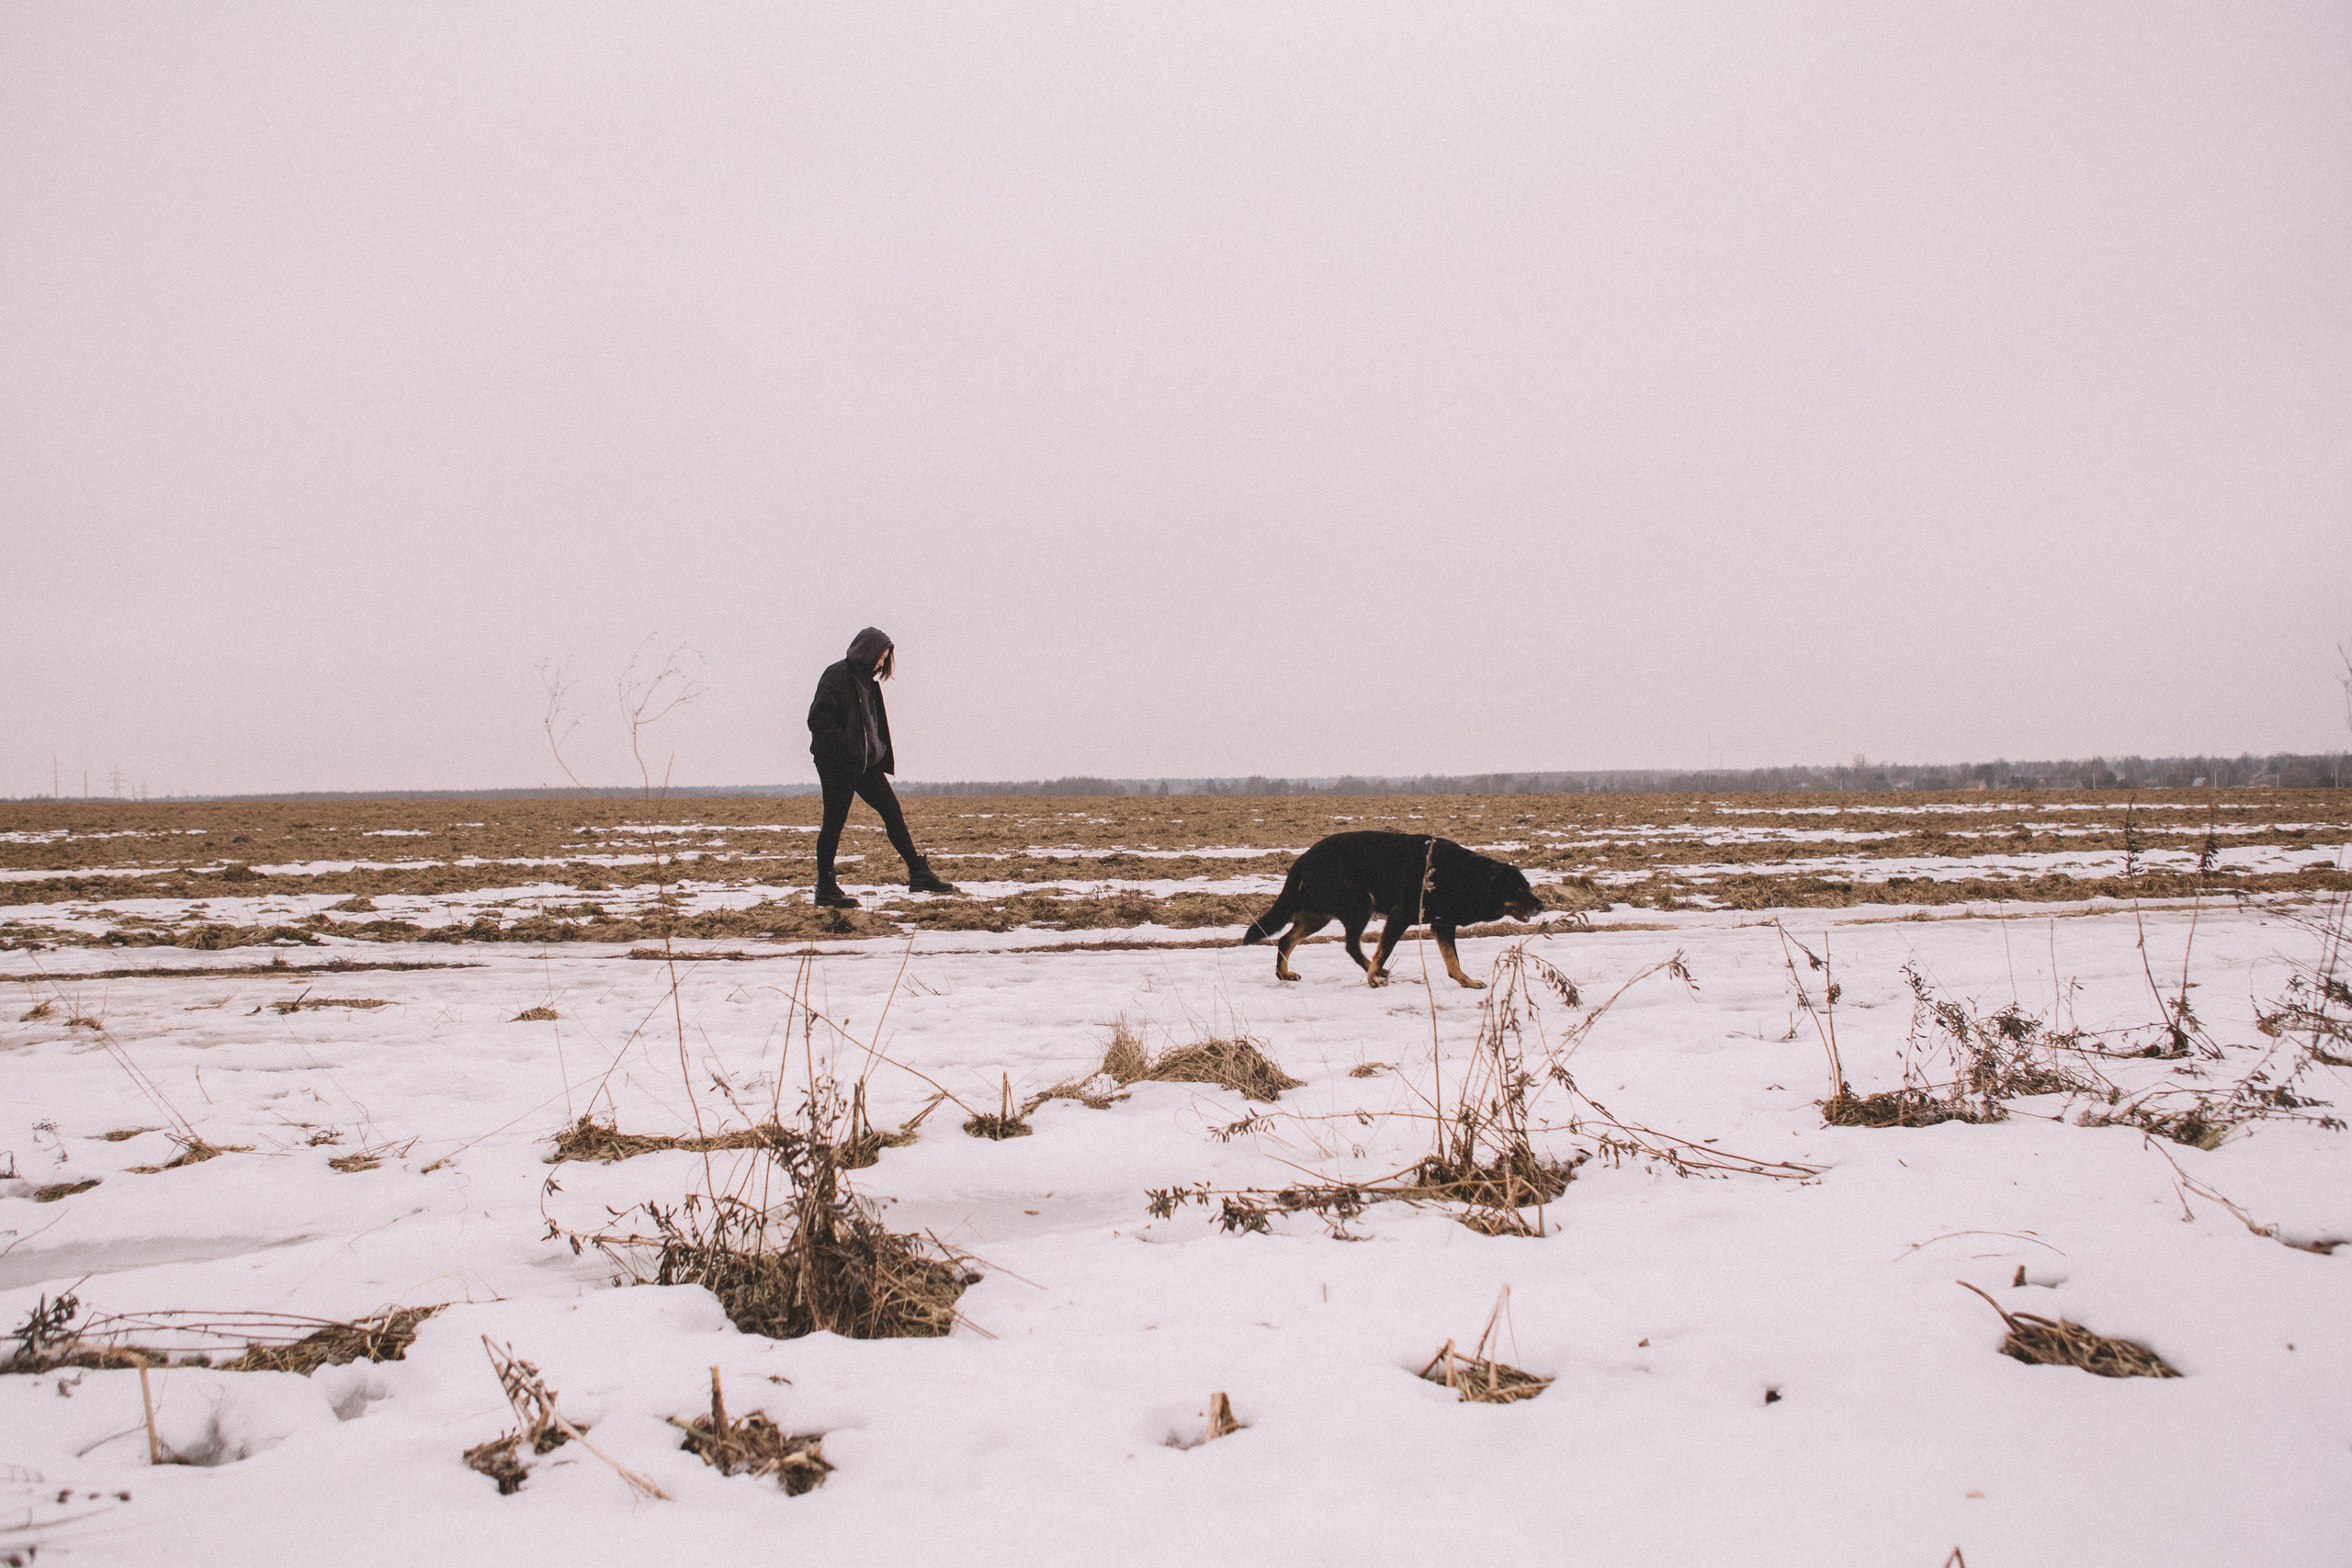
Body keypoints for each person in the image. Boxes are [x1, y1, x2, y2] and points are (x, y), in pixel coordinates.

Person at [806, 627, 957, 907]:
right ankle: (825, 888)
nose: (881, 664)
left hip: (865, 765)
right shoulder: (837, 675)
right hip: (838, 764)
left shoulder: (868, 683)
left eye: (884, 659)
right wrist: (847, 750)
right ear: (867, 652)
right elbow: (818, 719)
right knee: (834, 823)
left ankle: (918, 872)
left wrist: (875, 751)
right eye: (880, 657)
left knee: (892, 811)